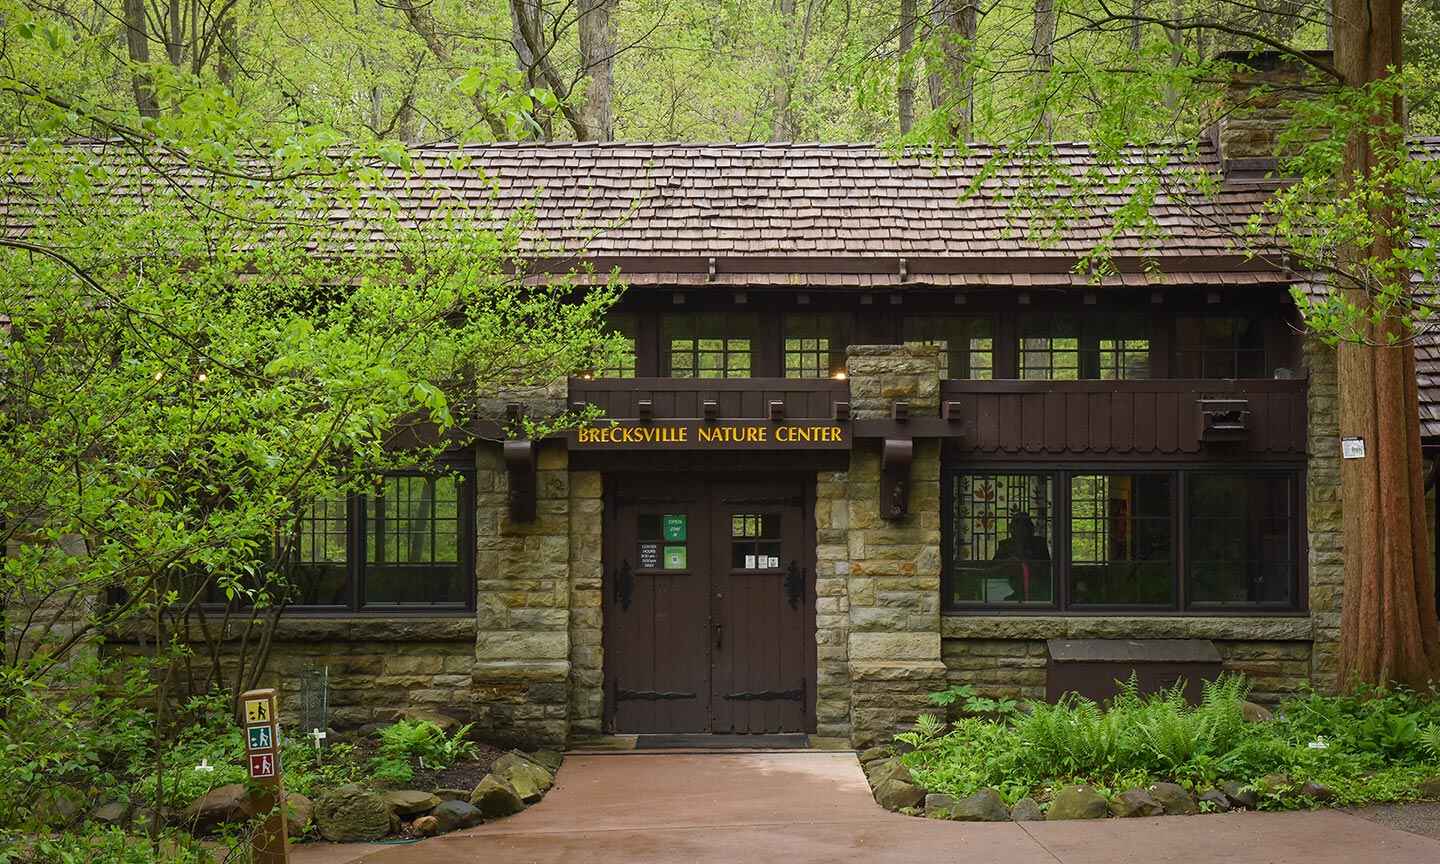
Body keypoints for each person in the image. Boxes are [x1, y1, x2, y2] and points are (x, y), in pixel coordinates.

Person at [991, 511, 1052, 603]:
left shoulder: (1039, 544)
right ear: (1011, 529)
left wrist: (1030, 562)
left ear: (1031, 529)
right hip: (1012, 584)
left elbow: (1046, 567)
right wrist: (1008, 562)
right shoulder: (1005, 545)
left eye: (1025, 526)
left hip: (1036, 587)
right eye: (1017, 526)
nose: (1021, 530)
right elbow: (994, 568)